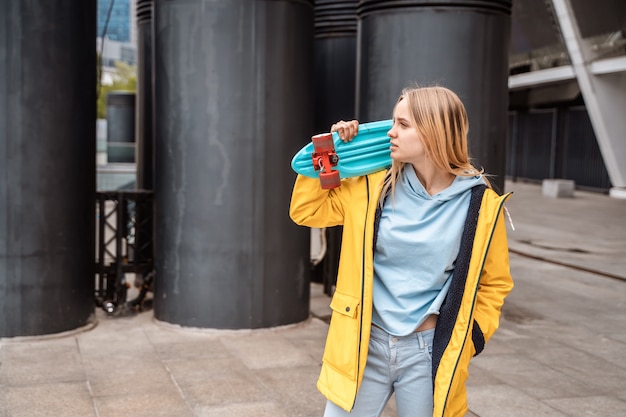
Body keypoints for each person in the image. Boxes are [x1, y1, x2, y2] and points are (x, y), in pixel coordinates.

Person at [289, 85, 514, 417]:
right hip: (364, 344)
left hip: (427, 351)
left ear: (434, 131)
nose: (391, 132)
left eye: (403, 124)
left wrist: (471, 338)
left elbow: (494, 284)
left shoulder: (481, 204)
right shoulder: (372, 186)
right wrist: (330, 151)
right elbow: (306, 211)